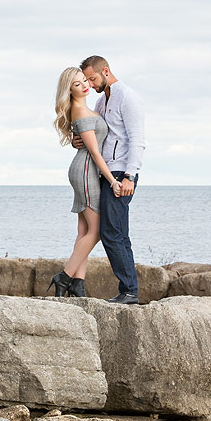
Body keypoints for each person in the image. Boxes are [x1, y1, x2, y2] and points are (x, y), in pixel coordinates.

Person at [75, 55, 145, 305]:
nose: (91, 84)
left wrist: (130, 176)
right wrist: (78, 141)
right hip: (105, 173)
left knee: (111, 232)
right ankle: (130, 290)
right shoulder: (100, 101)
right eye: (87, 80)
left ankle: (129, 291)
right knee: (117, 233)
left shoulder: (128, 97)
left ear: (106, 70)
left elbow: (137, 139)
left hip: (121, 175)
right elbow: (99, 135)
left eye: (93, 78)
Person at [49, 66, 122, 298]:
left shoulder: (84, 109)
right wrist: (112, 180)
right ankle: (64, 277)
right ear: (69, 91)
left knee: (84, 232)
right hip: (86, 171)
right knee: (97, 230)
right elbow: (95, 153)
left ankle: (77, 284)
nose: (84, 86)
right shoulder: (80, 111)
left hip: (83, 168)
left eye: (84, 81)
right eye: (77, 84)